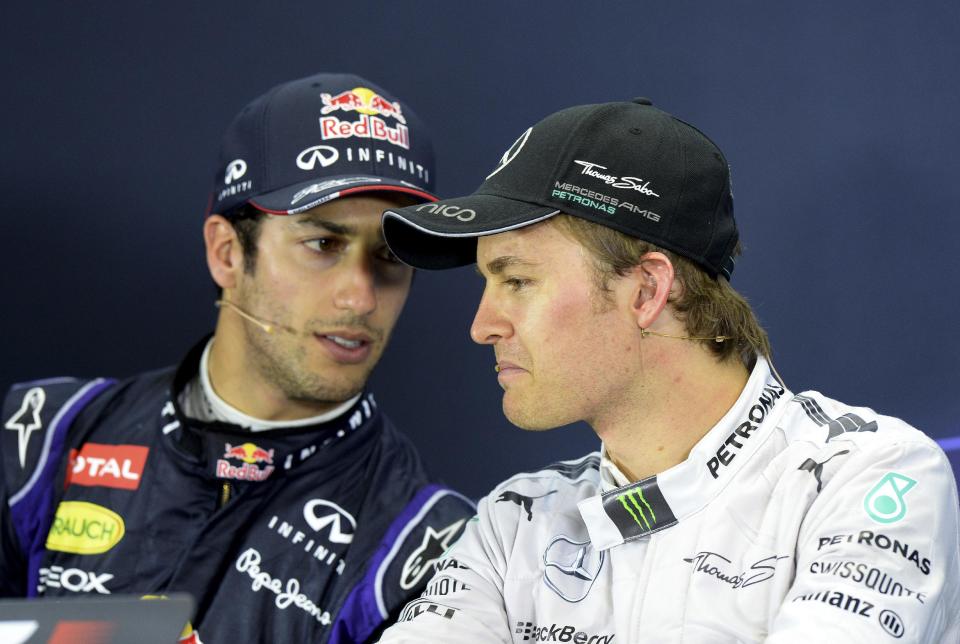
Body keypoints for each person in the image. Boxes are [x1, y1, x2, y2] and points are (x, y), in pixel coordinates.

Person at [376, 98, 960, 642]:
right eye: (488, 284)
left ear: (647, 289)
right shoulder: (514, 521)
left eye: (518, 281)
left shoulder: (870, 476)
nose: (483, 326)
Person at [0, 73, 474, 644]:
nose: (362, 297)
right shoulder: (43, 434)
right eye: (324, 245)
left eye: (392, 256)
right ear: (227, 254)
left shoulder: (433, 547)